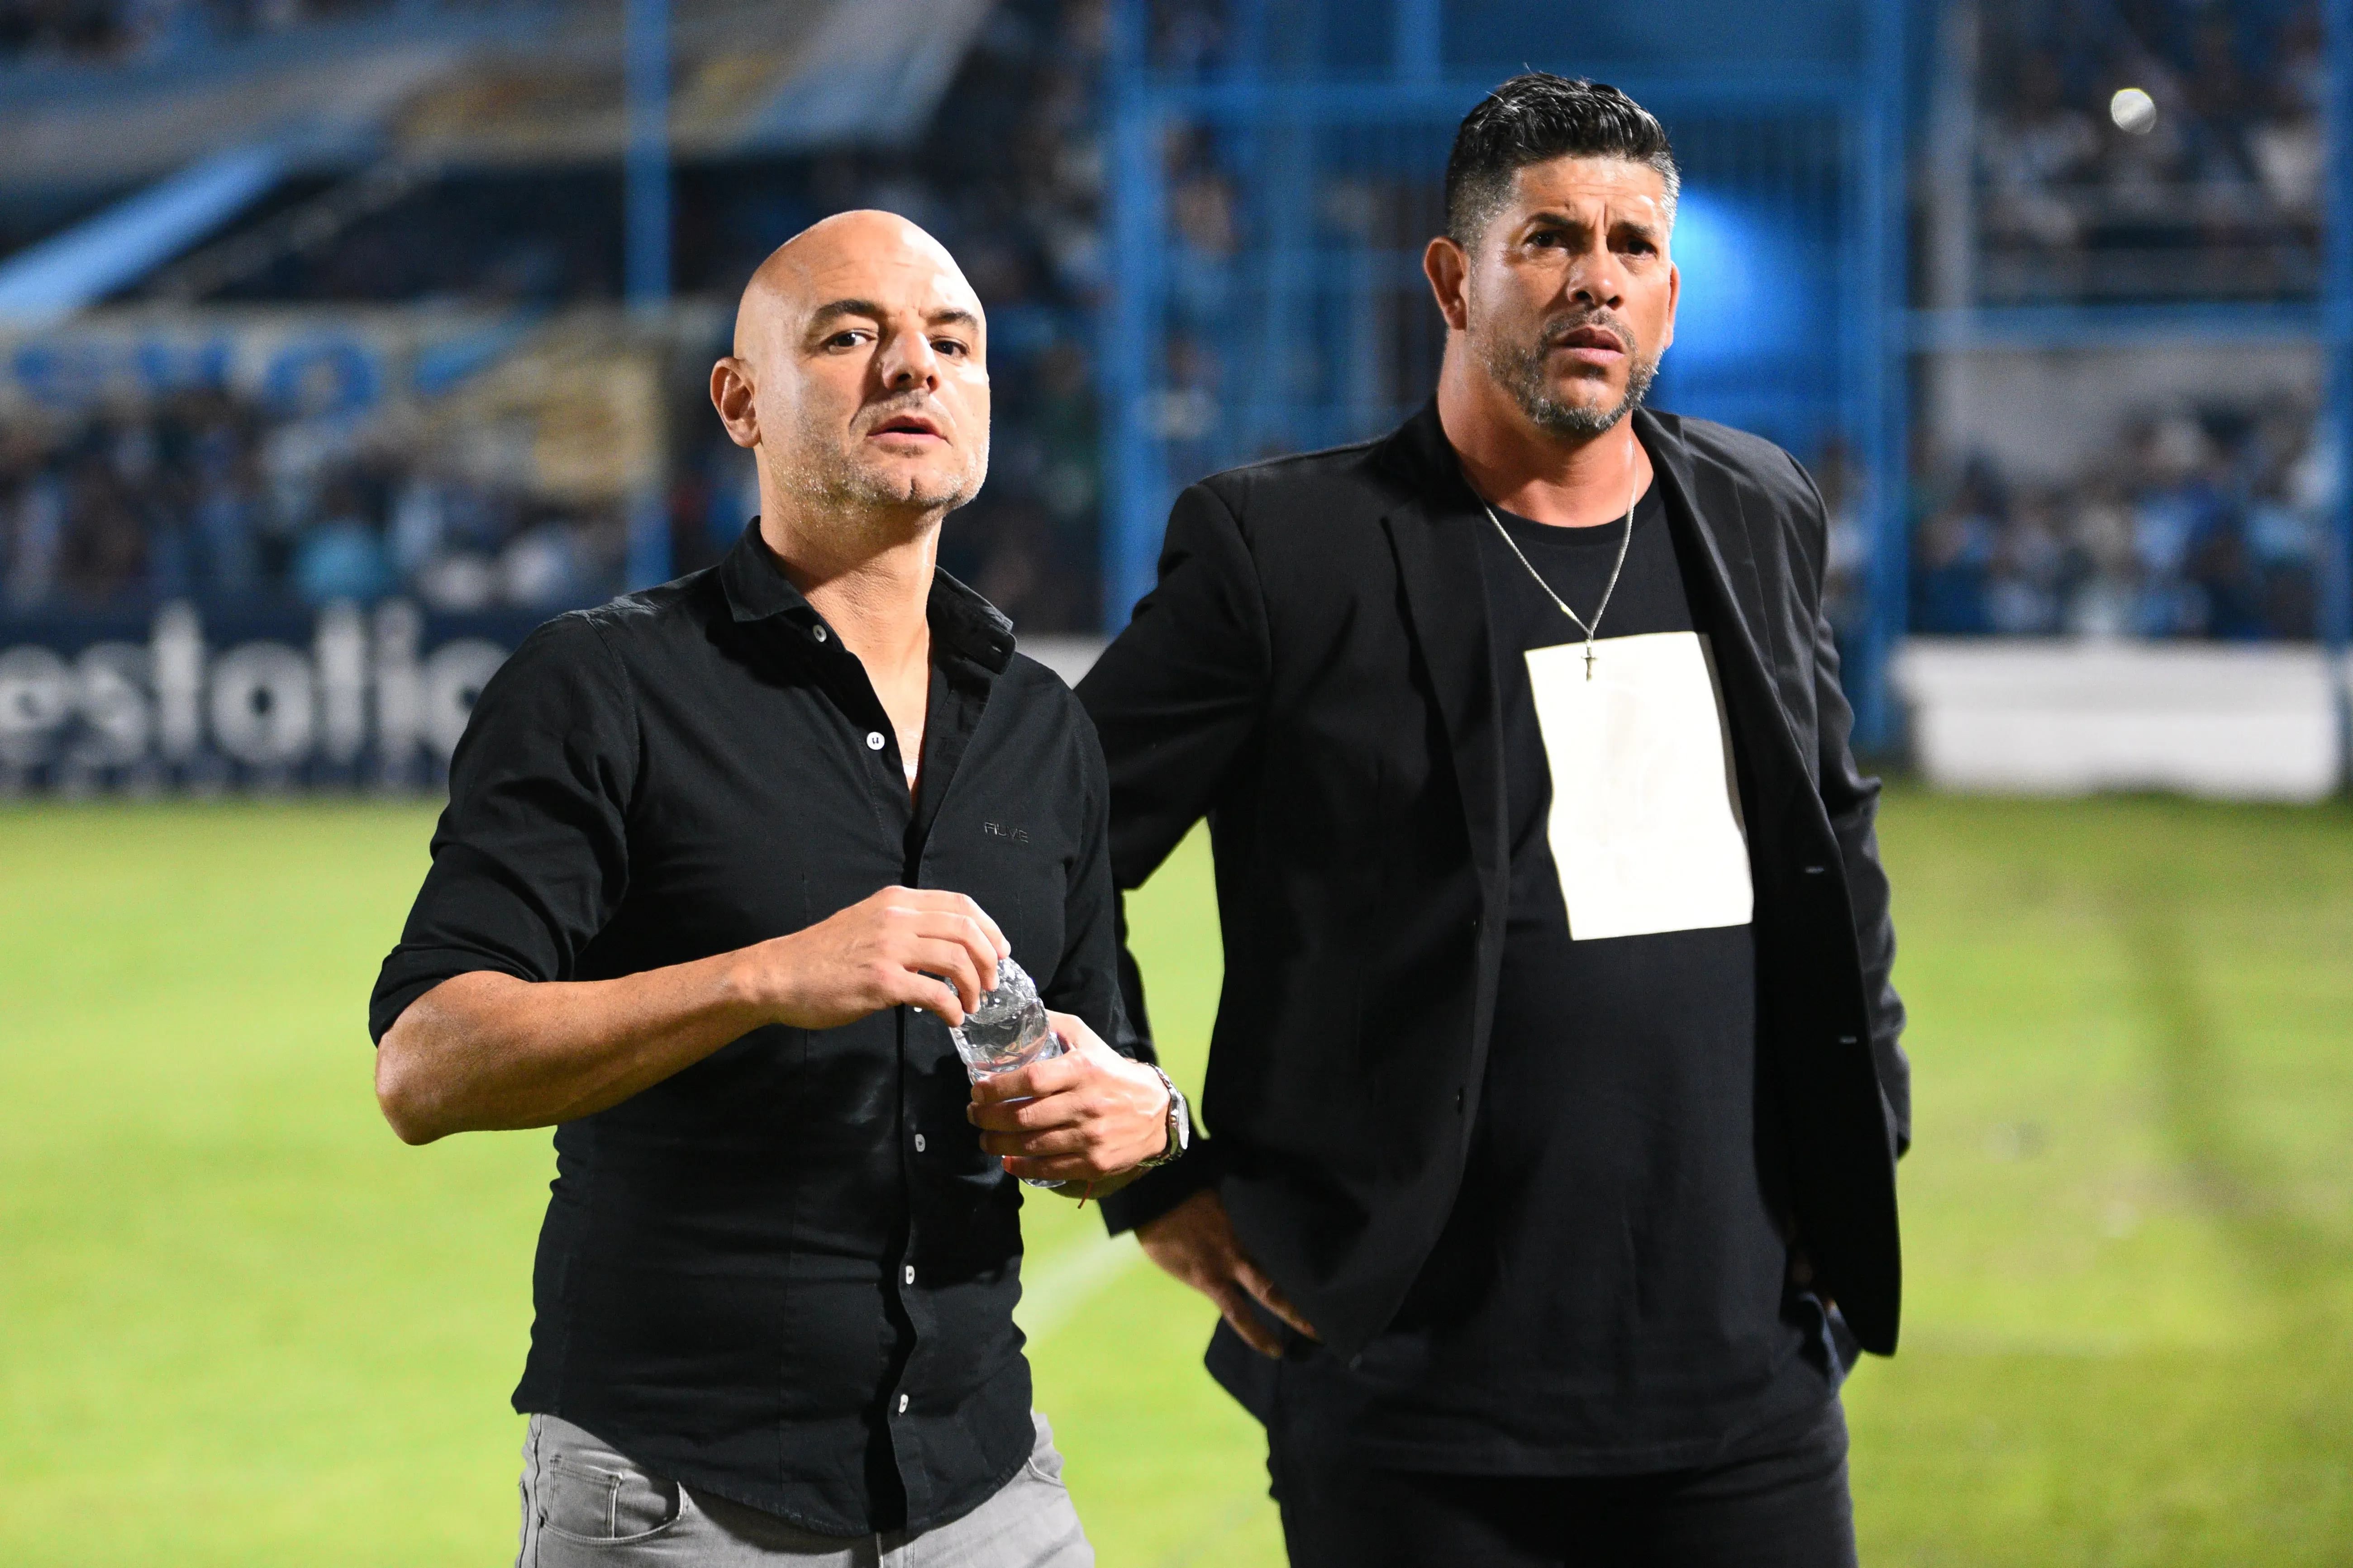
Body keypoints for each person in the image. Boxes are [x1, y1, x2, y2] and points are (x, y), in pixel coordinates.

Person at [1078, 75, 1907, 1567]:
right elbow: (1044, 853)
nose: (1598, 274)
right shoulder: (1286, 554)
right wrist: (1152, 1166)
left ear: (1666, 293)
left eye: (1634, 245)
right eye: (1549, 239)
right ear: (1454, 280)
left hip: (1749, 1385)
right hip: (1409, 1400)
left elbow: (1834, 844)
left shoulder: (1759, 508)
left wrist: (1868, 1130)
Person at [369, 211, 1185, 1568]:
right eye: (850, 335)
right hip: (679, 1507)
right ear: (741, 403)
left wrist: (1145, 1118)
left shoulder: (1045, 727)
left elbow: (1101, 1044)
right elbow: (425, 1064)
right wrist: (761, 980)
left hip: (990, 1498)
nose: (913, 368)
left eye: (951, 341)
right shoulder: (603, 688)